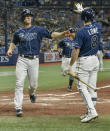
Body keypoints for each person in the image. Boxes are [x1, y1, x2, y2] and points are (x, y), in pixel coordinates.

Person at [7, 9, 69, 117]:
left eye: (30, 15)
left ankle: (31, 93)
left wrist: (62, 34)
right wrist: (10, 49)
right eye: (26, 16)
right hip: (22, 59)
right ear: (23, 18)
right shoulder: (18, 32)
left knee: (33, 84)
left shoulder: (38, 30)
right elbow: (14, 42)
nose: (28, 17)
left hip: (34, 60)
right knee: (19, 83)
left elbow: (52, 34)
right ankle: (18, 107)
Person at [67, 7, 101, 123]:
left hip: (85, 61)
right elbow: (93, 20)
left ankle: (92, 112)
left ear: (83, 18)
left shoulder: (81, 31)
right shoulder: (98, 27)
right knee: (92, 88)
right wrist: (84, 12)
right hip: (95, 59)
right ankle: (89, 111)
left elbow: (76, 51)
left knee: (82, 87)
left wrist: (70, 65)